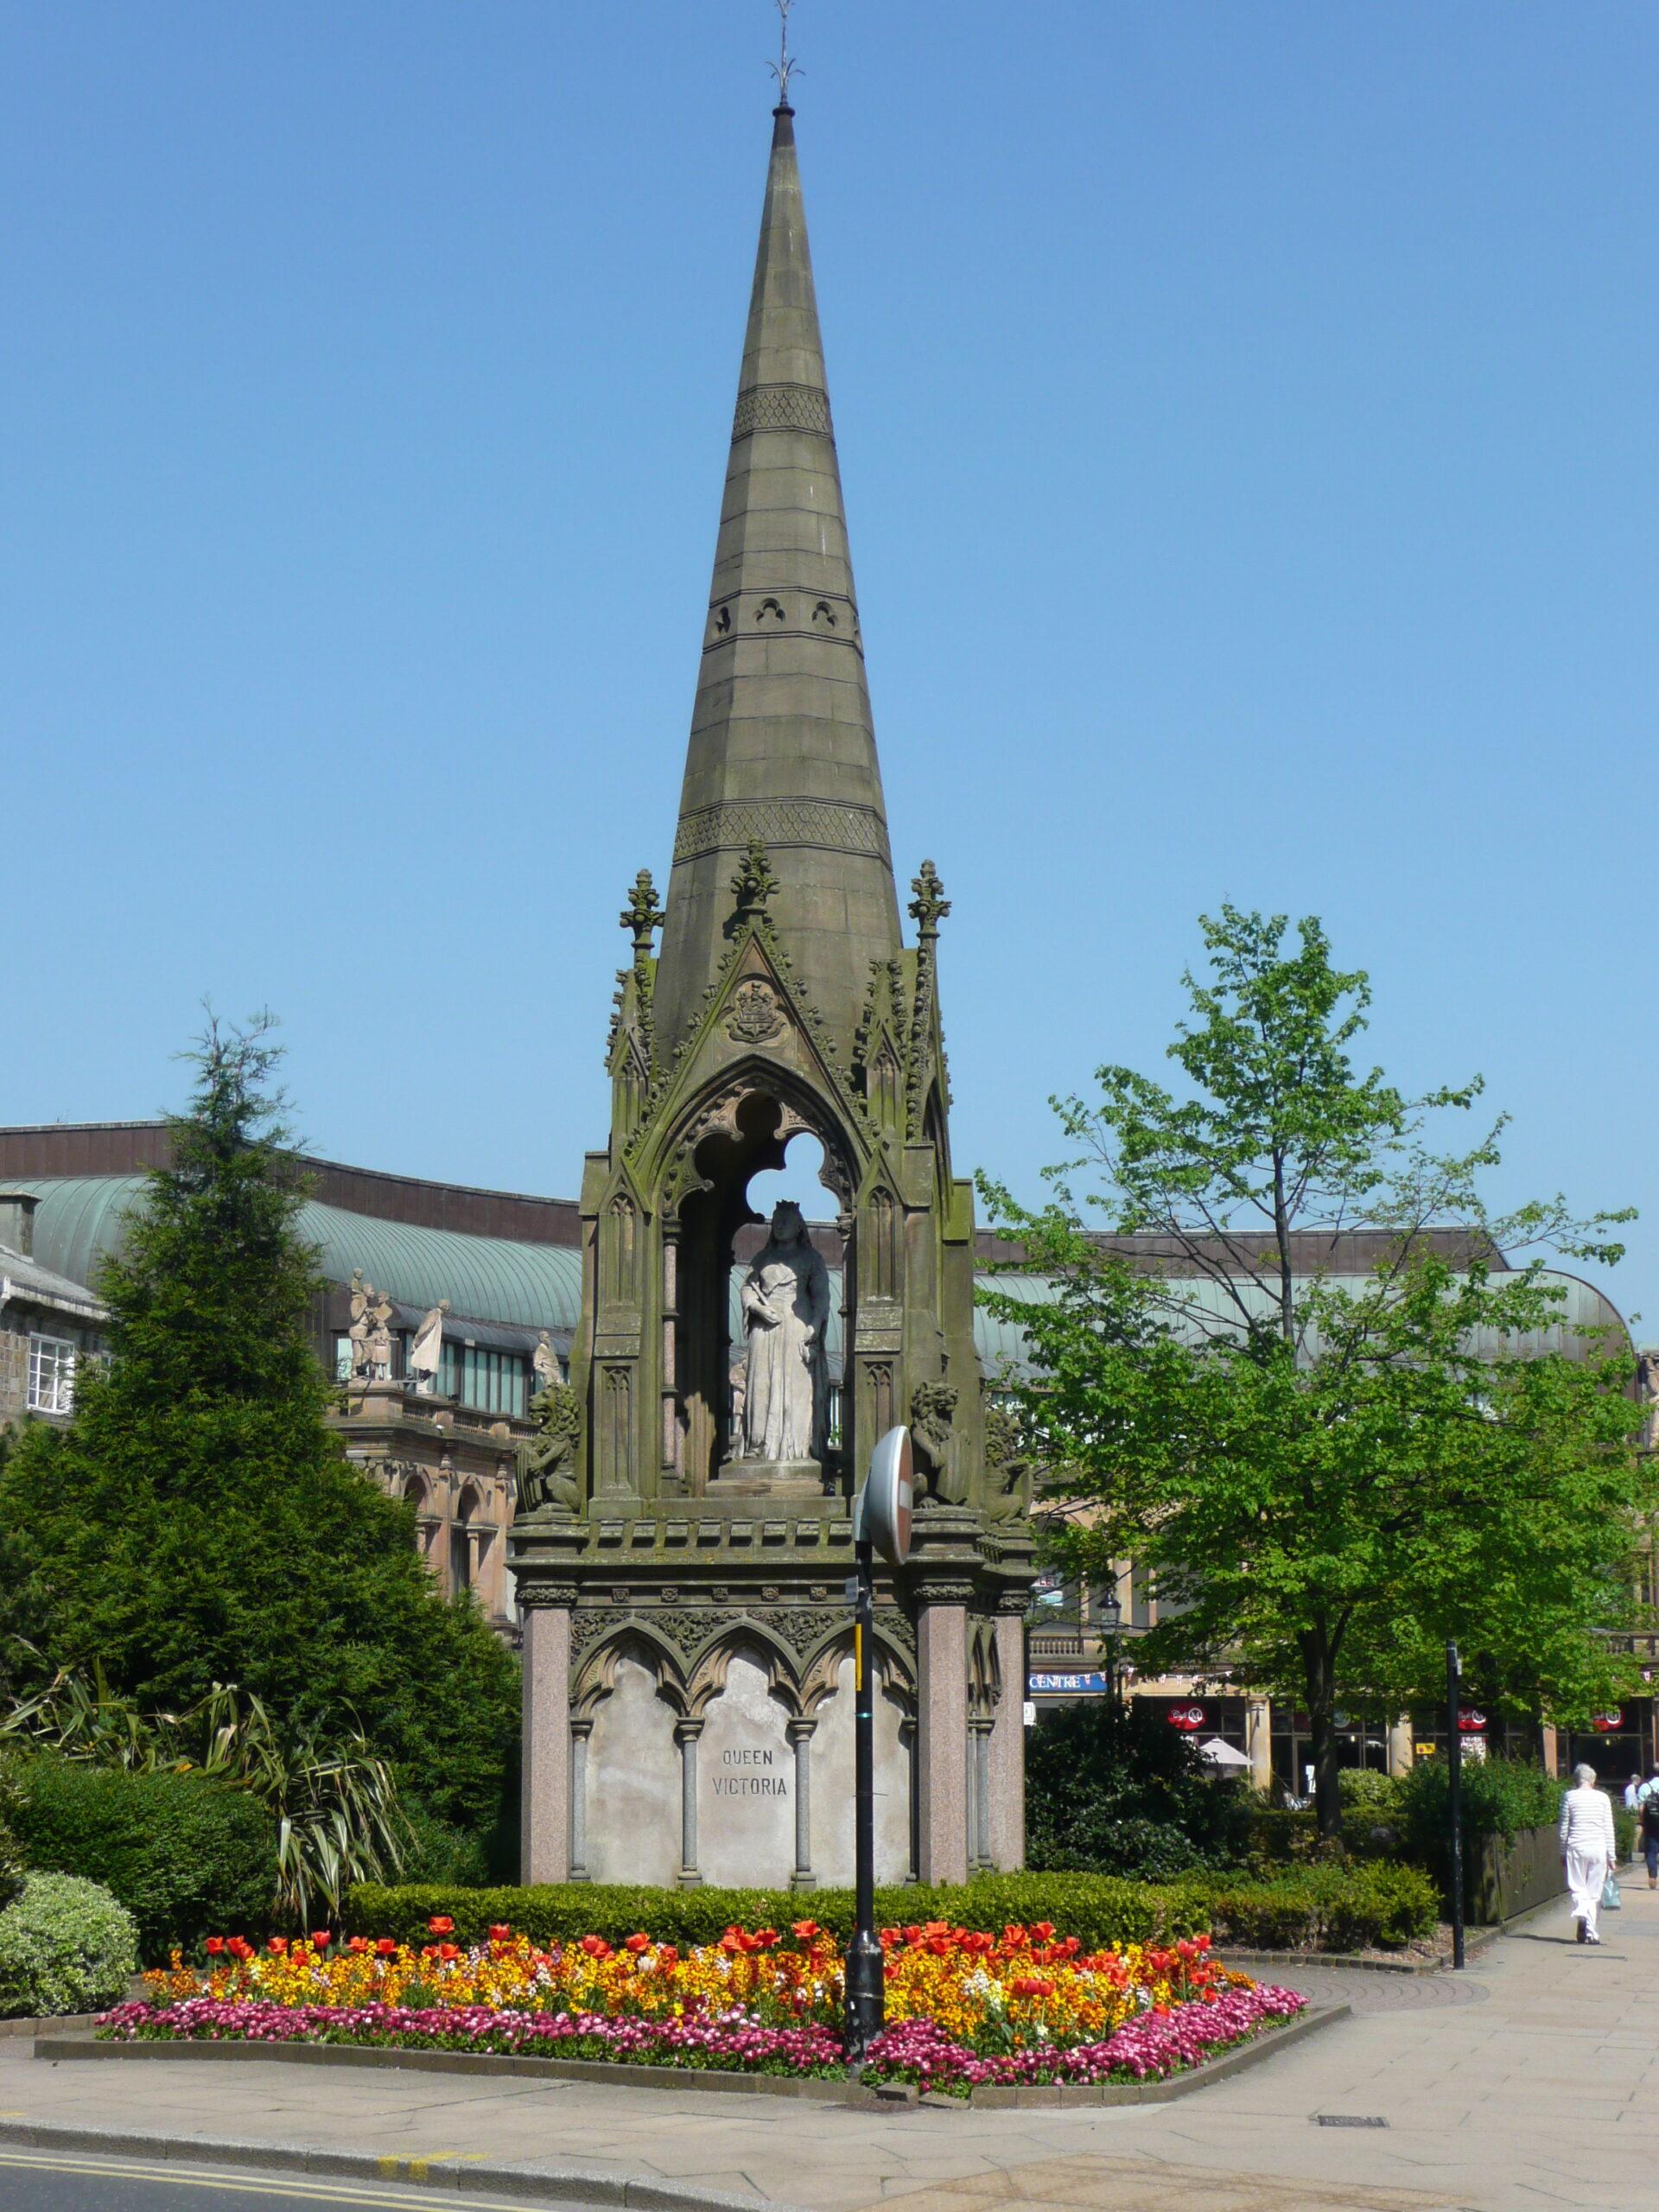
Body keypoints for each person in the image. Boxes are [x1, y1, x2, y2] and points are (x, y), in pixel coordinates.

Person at [1560, 1762, 1618, 1943]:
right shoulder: (1602, 1798)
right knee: (1595, 1892)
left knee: (1578, 1887)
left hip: (1576, 1846)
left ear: (1576, 1781)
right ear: (1592, 1781)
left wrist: (1562, 1851)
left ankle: (1581, 1913)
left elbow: (1564, 1828)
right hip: (1599, 1848)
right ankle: (1592, 1934)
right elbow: (1608, 1828)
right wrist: (1612, 1856)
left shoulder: (1568, 1797)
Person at [1641, 1785, 1659, 1891]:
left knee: (1651, 1853)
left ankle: (1652, 1877)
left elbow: (1641, 1809)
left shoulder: (1645, 1787)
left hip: (1652, 1826)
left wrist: (1643, 1823)